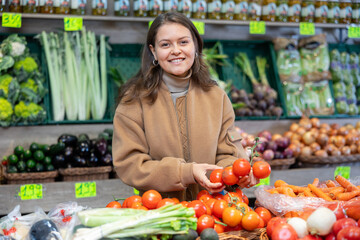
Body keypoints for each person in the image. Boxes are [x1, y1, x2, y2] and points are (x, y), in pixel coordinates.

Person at [112, 12, 258, 202]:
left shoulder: (216, 96)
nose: (176, 51)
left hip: (212, 211)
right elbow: (130, 165)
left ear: (195, 45)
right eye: (165, 44)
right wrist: (186, 172)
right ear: (154, 51)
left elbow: (227, 154)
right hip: (161, 211)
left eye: (183, 42)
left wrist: (238, 173)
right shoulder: (134, 100)